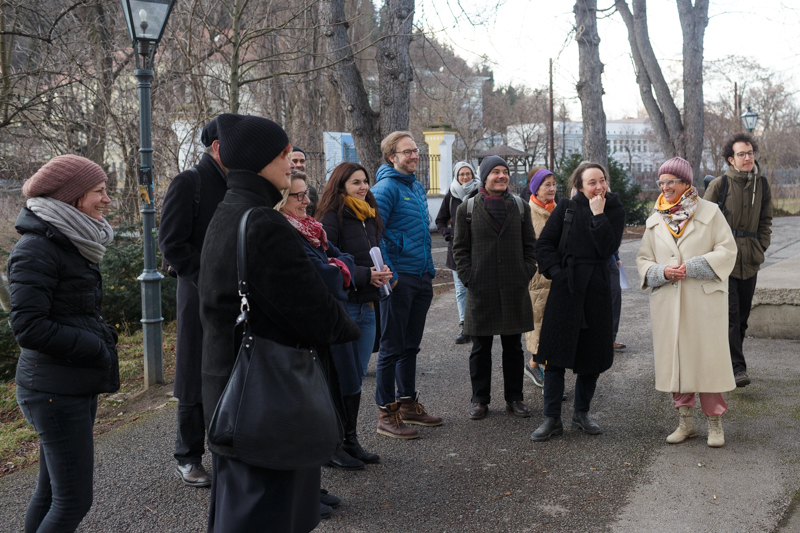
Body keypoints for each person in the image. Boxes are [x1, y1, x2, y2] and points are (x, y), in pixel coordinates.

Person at [199, 113, 359, 532]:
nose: (292, 162)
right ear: (260, 159)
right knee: (269, 516)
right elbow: (314, 312)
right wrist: (346, 324)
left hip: (234, 392)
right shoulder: (264, 222)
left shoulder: (228, 212)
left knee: (240, 512)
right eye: (284, 153)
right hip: (266, 399)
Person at [9, 155, 119, 532]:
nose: (107, 199)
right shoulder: (36, 249)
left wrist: (99, 341)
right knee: (73, 500)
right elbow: (29, 327)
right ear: (73, 197)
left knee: (50, 492)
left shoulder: (71, 240)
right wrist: (95, 347)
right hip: (53, 390)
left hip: (70, 382)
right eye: (99, 191)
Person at [277, 169, 377, 473]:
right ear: (281, 200)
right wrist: (337, 267)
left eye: (306, 193)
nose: (306, 200)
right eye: (298, 195)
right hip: (317, 321)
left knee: (350, 378)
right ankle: (333, 447)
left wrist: (337, 265)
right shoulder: (286, 232)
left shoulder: (312, 229)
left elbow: (342, 258)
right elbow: (322, 274)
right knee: (329, 386)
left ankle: (350, 441)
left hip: (336, 314)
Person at [637, 157, 737, 447]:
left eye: (671, 181)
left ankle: (715, 424)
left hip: (704, 301)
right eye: (661, 182)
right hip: (668, 302)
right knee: (676, 361)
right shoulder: (655, 218)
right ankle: (685, 423)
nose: (665, 187)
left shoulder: (710, 212)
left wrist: (693, 266)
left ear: (685, 183)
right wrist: (662, 272)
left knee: (708, 360)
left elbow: (727, 250)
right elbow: (643, 259)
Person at [530, 162, 625, 442]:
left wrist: (599, 215)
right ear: (580, 186)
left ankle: (581, 414)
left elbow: (608, 248)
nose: (599, 187)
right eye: (592, 182)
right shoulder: (566, 207)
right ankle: (551, 418)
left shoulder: (614, 209)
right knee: (554, 355)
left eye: (602, 180)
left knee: (591, 357)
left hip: (597, 289)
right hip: (566, 288)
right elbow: (544, 245)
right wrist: (557, 273)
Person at [158, 118, 227, 488]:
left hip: (233, 293)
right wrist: (208, 278)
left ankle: (226, 449)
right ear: (217, 147)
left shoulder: (239, 183)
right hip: (197, 291)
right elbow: (171, 242)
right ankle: (187, 456)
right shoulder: (190, 181)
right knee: (193, 371)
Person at [316, 163, 392, 462]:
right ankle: (332, 444)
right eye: (355, 182)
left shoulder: (368, 214)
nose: (363, 187)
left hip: (368, 305)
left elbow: (371, 255)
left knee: (356, 378)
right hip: (346, 305)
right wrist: (364, 275)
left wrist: (384, 271)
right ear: (341, 185)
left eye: (365, 181)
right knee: (341, 379)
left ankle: (350, 440)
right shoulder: (331, 216)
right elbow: (327, 261)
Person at [452, 155, 537, 420]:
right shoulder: (466, 209)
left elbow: (530, 246)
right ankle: (480, 400)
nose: (501, 176)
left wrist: (525, 272)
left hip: (514, 286)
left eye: (505, 171)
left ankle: (515, 398)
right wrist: (469, 277)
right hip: (481, 287)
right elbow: (459, 248)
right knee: (480, 349)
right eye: (495, 172)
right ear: (485, 176)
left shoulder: (521, 207)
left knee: (513, 348)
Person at [371, 130, 442, 439]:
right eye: (407, 152)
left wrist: (428, 271)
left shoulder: (415, 186)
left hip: (421, 275)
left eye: (415, 150)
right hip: (400, 278)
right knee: (391, 347)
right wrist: (391, 273)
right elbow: (375, 233)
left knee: (410, 345)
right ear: (392, 157)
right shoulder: (384, 189)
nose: (414, 155)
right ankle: (386, 414)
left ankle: (408, 404)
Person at [704, 132, 772, 388]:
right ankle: (737, 368)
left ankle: (726, 362)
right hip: (724, 261)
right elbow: (703, 224)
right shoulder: (719, 185)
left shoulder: (762, 185)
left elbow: (766, 221)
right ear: (731, 159)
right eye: (741, 154)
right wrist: (714, 253)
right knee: (730, 315)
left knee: (742, 318)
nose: (747, 158)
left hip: (750, 260)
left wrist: (760, 246)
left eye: (750, 153)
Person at [436, 161, 481, 345]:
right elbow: (440, 220)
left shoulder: (480, 192)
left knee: (477, 287)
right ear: (456, 176)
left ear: (473, 175)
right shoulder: (451, 194)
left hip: (478, 249)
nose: (465, 177)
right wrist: (448, 235)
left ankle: (479, 324)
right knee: (461, 289)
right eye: (461, 174)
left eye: (468, 173)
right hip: (456, 250)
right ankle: (465, 326)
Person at [523, 167, 556, 388]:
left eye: (554, 184)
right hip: (537, 280)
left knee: (554, 327)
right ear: (536, 188)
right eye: (547, 185)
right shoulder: (526, 213)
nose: (552, 189)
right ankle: (548, 379)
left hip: (558, 278)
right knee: (539, 326)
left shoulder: (559, 210)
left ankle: (534, 365)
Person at [291, 146, 319, 217]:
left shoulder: (312, 191)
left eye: (302, 161)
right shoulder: (279, 187)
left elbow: (317, 217)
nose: (299, 165)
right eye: (294, 161)